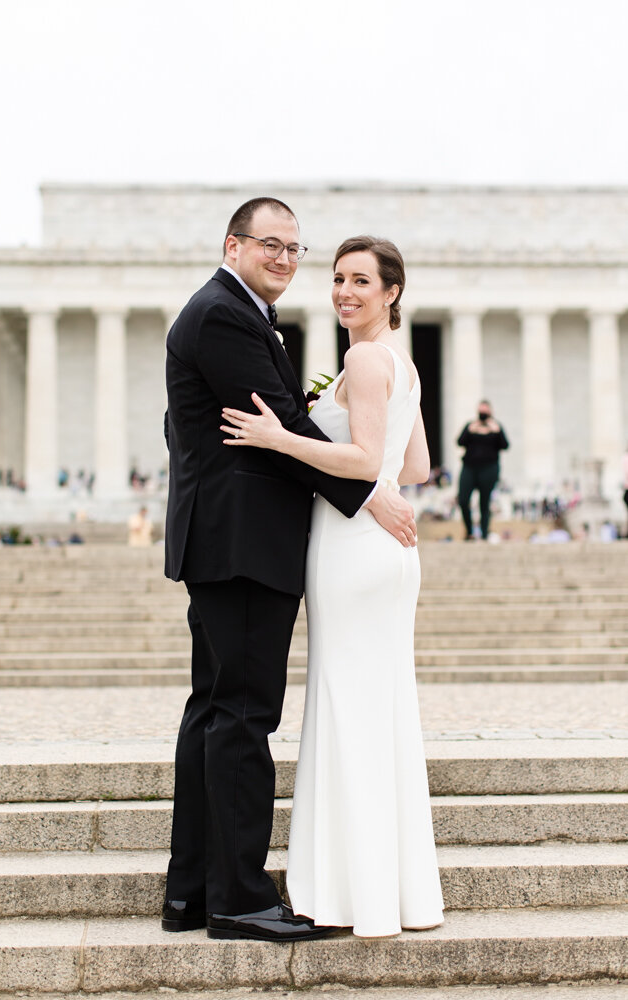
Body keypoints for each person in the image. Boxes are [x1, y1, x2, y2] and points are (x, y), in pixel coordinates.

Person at [162, 199, 419, 943]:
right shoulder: (223, 316)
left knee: (214, 713)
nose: (283, 259)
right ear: (232, 245)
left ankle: (193, 891)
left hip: (230, 542)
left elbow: (275, 426)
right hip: (241, 547)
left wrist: (366, 485)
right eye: (269, 245)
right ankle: (236, 898)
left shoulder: (230, 314)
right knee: (241, 717)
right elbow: (279, 420)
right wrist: (368, 493)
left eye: (292, 249)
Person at [221, 235, 444, 937]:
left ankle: (351, 893)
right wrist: (373, 485)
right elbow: (415, 466)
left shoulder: (362, 358)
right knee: (380, 713)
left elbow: (360, 457)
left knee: (348, 710)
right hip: (386, 549)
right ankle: (393, 893)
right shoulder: (401, 366)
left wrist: (280, 437)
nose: (344, 292)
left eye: (360, 281)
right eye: (338, 279)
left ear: (391, 293)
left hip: (350, 552)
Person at [456, 401, 509, 540]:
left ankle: (484, 533)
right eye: (481, 412)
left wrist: (496, 431)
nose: (483, 415)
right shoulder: (471, 425)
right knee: (463, 499)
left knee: (484, 502)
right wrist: (470, 430)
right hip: (469, 468)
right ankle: (469, 531)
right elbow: (460, 442)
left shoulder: (496, 427)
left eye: (485, 412)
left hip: (489, 469)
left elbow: (505, 445)